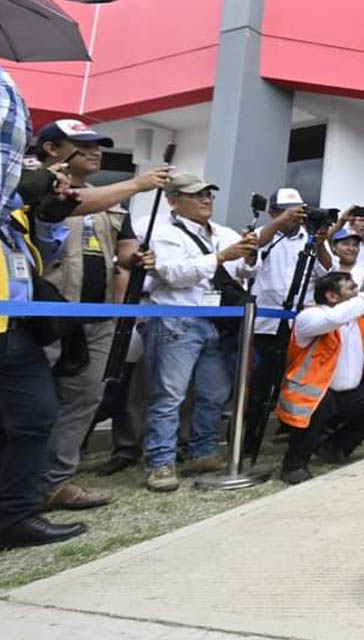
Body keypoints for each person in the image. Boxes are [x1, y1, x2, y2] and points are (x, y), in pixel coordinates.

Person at [34, 119, 169, 509]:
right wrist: (137, 184)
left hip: (97, 315)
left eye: (100, 146)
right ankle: (19, 484)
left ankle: (55, 482)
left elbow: (124, 247)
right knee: (32, 402)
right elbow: (65, 206)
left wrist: (137, 256)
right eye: (83, 144)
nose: (96, 152)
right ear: (51, 149)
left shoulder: (109, 199)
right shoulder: (35, 183)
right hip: (43, 313)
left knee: (84, 399)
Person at [0, 62, 89, 549]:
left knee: (35, 416)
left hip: (14, 324)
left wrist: (49, 216)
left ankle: (15, 516)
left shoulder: (14, 204)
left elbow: (39, 257)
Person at [143, 173, 258, 492]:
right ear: (174, 201)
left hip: (218, 321)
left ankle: (203, 451)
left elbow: (243, 274)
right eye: (197, 195)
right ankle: (160, 461)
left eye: (208, 194)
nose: (206, 199)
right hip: (177, 318)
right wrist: (221, 257)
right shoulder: (166, 234)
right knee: (169, 395)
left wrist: (248, 257)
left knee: (214, 394)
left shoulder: (224, 232)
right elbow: (172, 274)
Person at [276, 271, 364, 484]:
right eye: (351, 287)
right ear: (332, 296)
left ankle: (334, 447)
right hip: (313, 393)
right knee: (317, 404)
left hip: (351, 392)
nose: (357, 291)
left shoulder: (363, 316)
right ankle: (294, 464)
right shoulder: (309, 317)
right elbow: (335, 318)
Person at [242, 187, 332, 461]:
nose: (294, 217)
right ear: (273, 212)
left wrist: (319, 242)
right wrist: (278, 224)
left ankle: (294, 435)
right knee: (259, 387)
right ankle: (246, 442)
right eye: (286, 211)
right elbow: (247, 262)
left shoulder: (309, 238)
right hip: (266, 326)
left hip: (300, 327)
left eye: (298, 211)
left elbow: (328, 271)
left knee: (298, 384)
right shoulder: (266, 236)